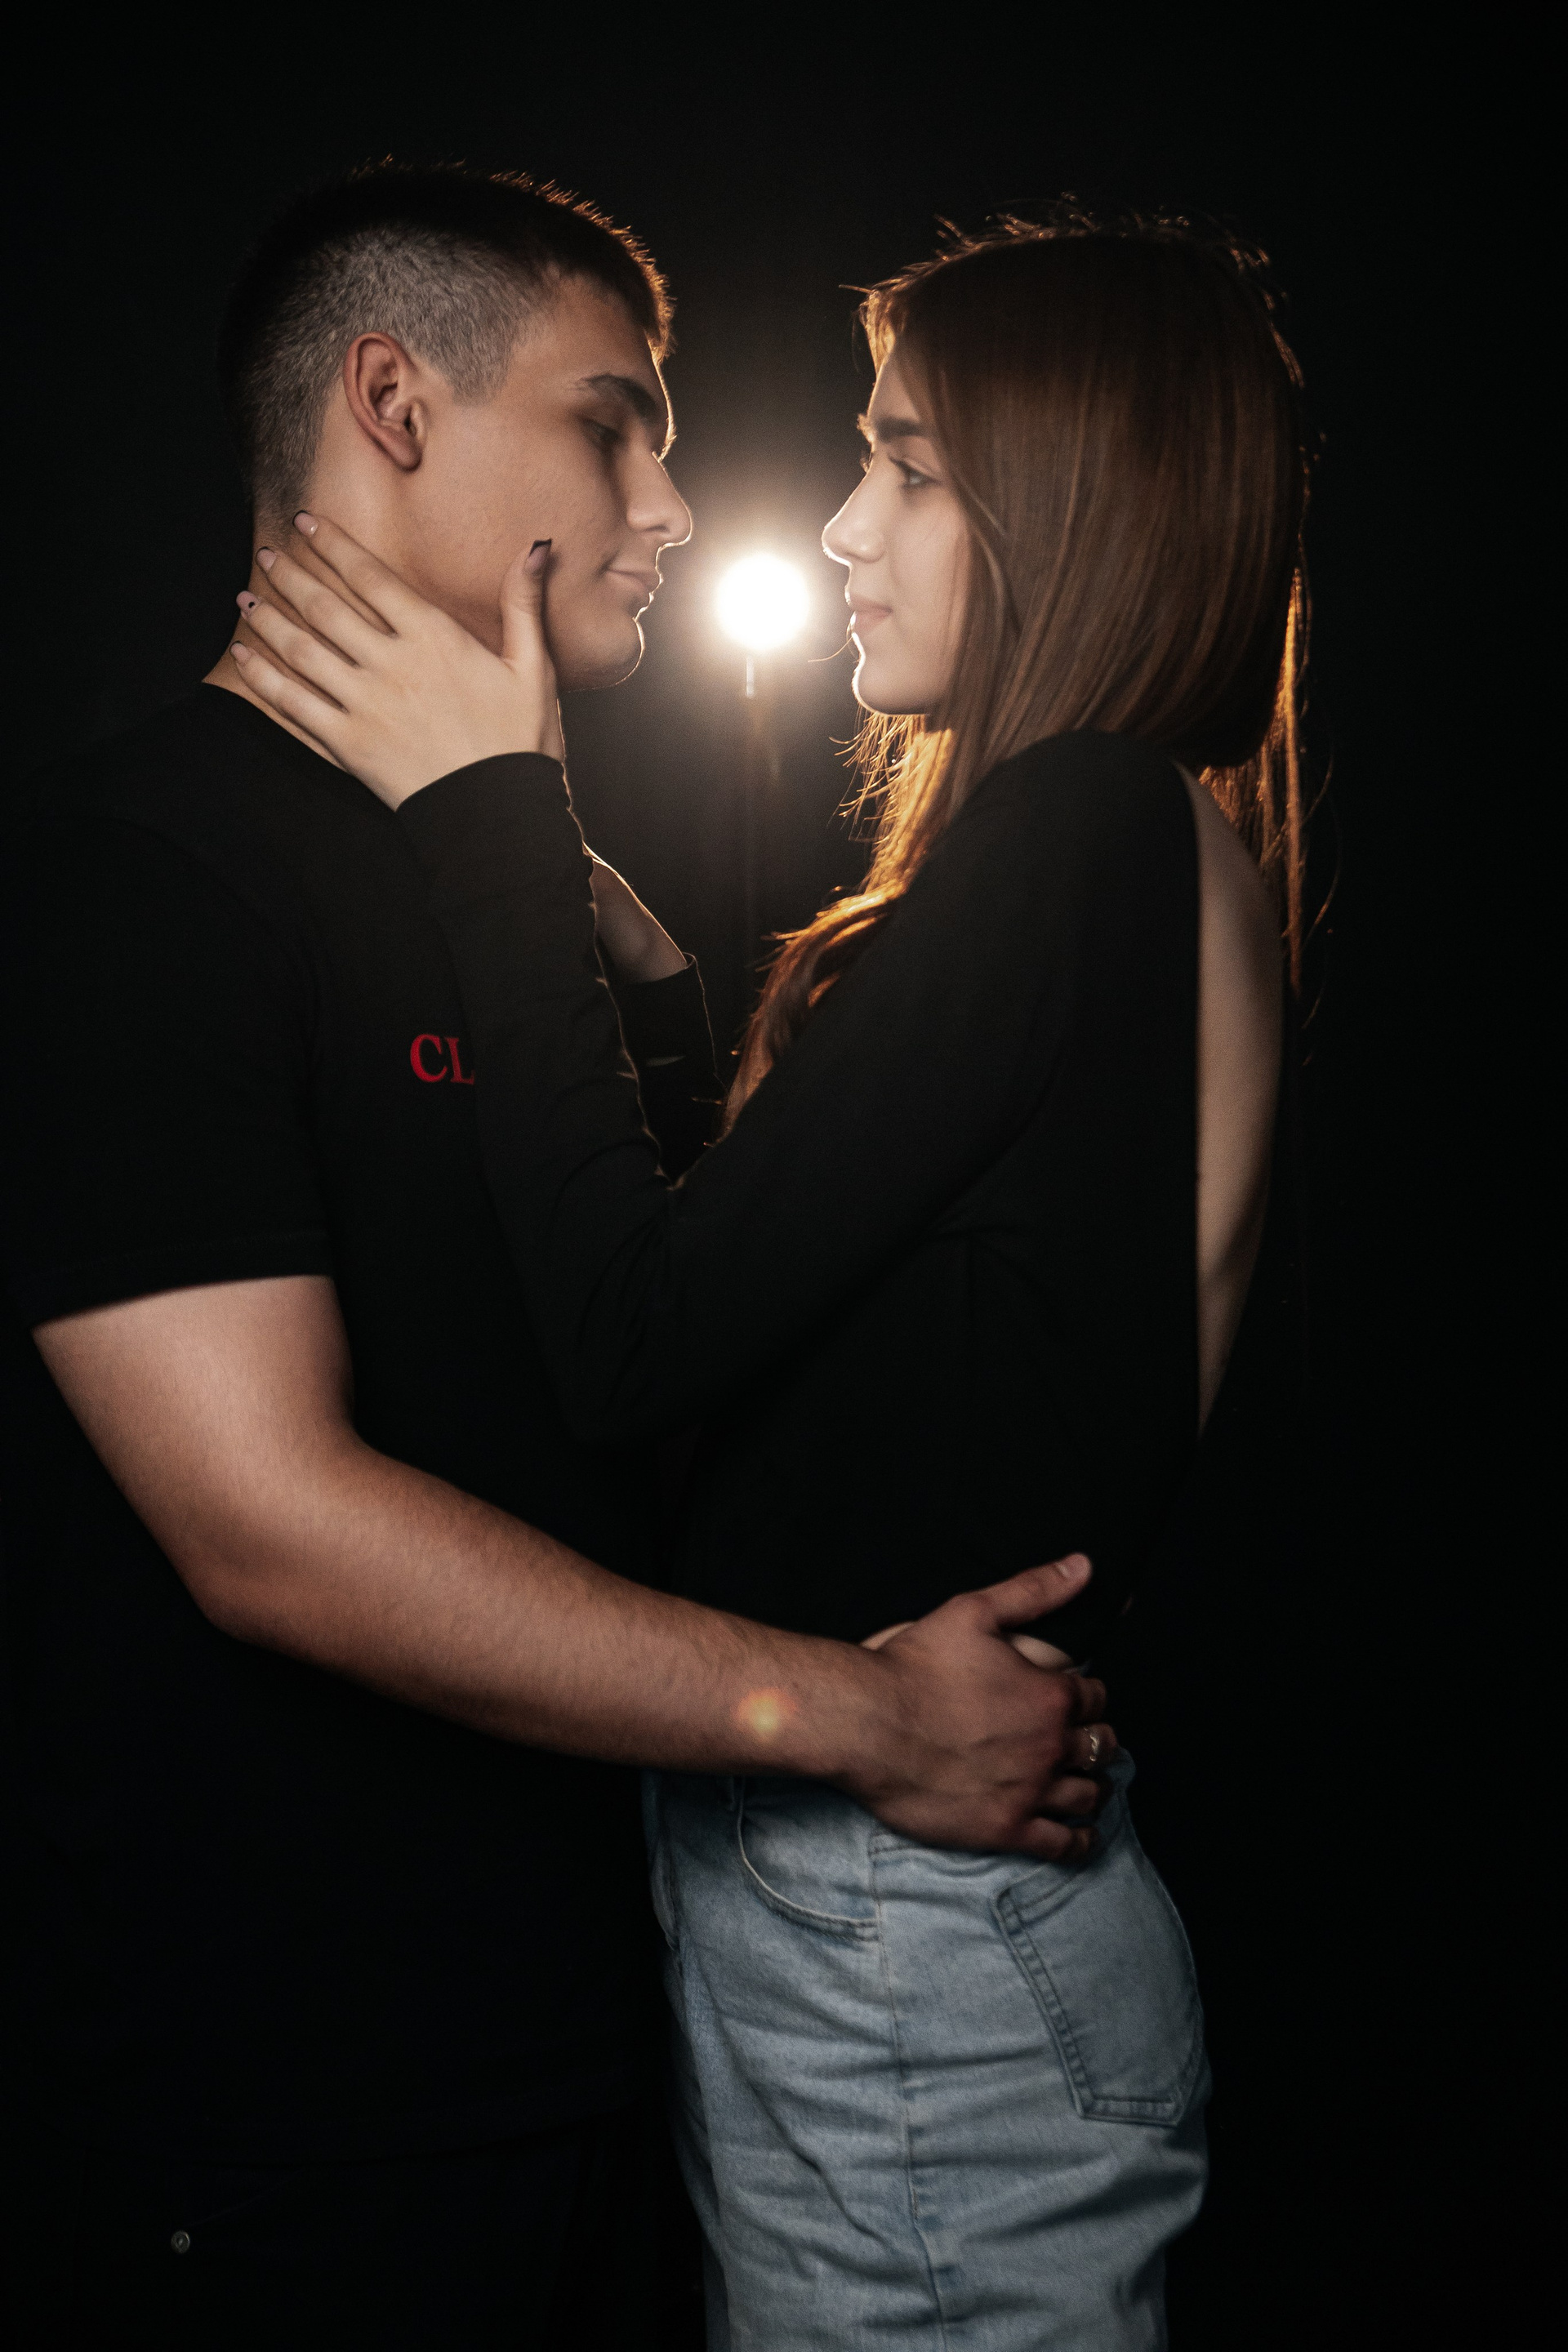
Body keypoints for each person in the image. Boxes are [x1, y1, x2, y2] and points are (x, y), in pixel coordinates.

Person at [0, 172, 1114, 2350]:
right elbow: (267, 1525)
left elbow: (662, 1405)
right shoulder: (135, 875)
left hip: (633, 2039)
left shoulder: (534, 890)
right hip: (289, 2119)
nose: (674, 508)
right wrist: (870, 1723)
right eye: (615, 426)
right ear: (393, 407)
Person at [229, 212, 1302, 2346]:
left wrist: (491, 816)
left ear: (1072, 501)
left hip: (916, 1923)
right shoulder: (1145, 848)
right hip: (909, 1912)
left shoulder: (1082, 824)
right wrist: (629, 973)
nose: (836, 528)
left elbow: (633, 1339)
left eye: (907, 466)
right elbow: (806, 1317)